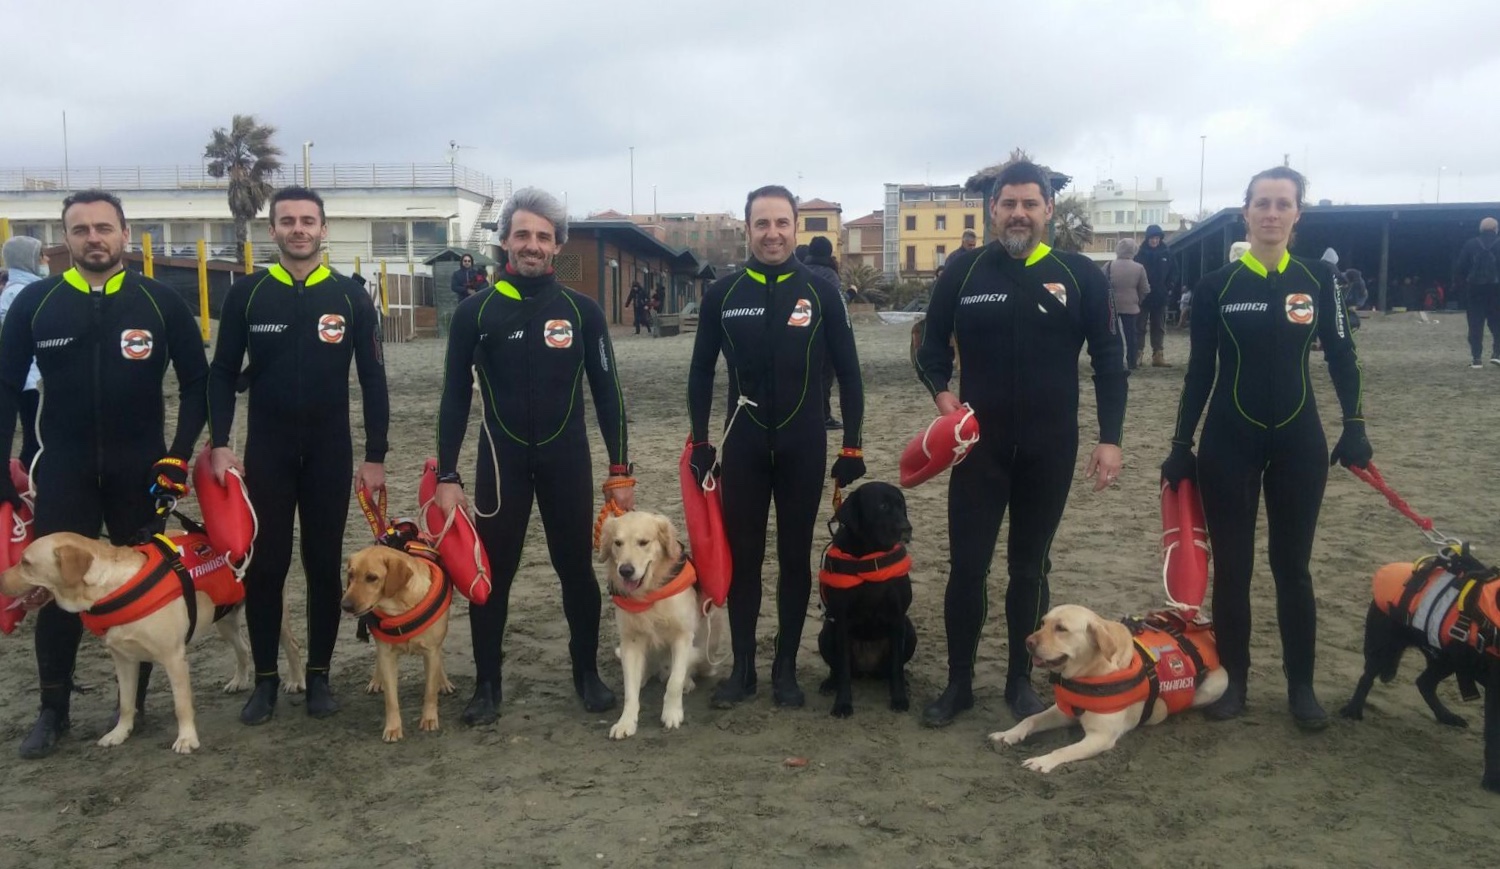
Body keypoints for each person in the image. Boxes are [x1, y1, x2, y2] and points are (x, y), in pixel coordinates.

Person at [914, 161, 1127, 726]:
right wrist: (944, 400)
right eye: (1008, 203)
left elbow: (1110, 361)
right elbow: (929, 349)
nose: (1018, 214)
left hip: (1049, 446)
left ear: (1048, 210)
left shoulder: (1082, 275)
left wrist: (1111, 439)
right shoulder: (962, 273)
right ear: (993, 209)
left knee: (1029, 569)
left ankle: (1019, 681)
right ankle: (958, 683)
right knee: (967, 567)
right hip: (979, 449)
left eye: (1030, 204)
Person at [0, 190, 208, 758]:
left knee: (142, 588)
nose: (94, 238)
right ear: (63, 240)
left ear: (123, 233)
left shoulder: (160, 301)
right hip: (62, 466)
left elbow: (197, 382)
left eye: (104, 227)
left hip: (140, 468)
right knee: (58, 584)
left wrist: (178, 453)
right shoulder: (37, 304)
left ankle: (133, 707)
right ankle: (52, 710)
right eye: (80, 229)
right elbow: (4, 382)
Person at [1161, 166, 1369, 731]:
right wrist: (1181, 444)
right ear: (1246, 212)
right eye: (1262, 204)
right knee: (1233, 568)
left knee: (1293, 568)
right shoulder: (1217, 287)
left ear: (1298, 214)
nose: (1272, 214)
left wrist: (1355, 426)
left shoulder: (1321, 283)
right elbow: (1199, 372)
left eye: (1283, 204)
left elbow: (1344, 359)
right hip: (1229, 442)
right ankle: (1236, 682)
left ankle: (1301, 687)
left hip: (1299, 443)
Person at [433, 187, 632, 724]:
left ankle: (586, 674)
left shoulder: (581, 312)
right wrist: (446, 473)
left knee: (576, 572)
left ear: (558, 245)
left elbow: (608, 393)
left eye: (544, 236)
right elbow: (453, 395)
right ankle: (487, 686)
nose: (533, 245)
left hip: (566, 459)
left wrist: (619, 469)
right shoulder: (475, 313)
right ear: (504, 241)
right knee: (490, 575)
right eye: (523, 234)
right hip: (500, 464)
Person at [208, 186, 389, 726]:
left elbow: (373, 379)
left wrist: (375, 455)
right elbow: (221, 372)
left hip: (330, 451)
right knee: (266, 566)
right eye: (287, 221)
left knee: (321, 563)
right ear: (273, 230)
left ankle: (318, 678)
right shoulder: (248, 294)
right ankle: (265, 682)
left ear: (324, 228)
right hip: (268, 451)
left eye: (308, 220)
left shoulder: (351, 298)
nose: (298, 229)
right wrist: (220, 442)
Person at [687, 184, 865, 709]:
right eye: (761, 224)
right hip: (741, 445)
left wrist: (851, 446)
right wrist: (700, 439)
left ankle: (784, 669)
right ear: (747, 230)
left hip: (803, 443)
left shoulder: (821, 292)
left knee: (793, 558)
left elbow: (852, 376)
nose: (772, 233)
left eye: (781, 223)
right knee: (743, 559)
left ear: (795, 228)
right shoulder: (723, 293)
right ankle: (743, 669)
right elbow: (700, 373)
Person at [0, 236, 48, 465]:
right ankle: (30, 481)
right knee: (36, 436)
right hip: (30, 379)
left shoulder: (20, 289)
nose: (46, 259)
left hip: (30, 377)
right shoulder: (22, 293)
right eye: (41, 255)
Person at [803, 235, 845, 430]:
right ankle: (824, 416)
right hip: (824, 334)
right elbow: (836, 305)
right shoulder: (830, 274)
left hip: (801, 333)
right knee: (824, 378)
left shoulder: (802, 270)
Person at [1455, 217, 1500, 368]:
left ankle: (1476, 359)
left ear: (1480, 229)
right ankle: (1497, 354)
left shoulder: (1471, 244)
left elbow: (1460, 268)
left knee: (1475, 324)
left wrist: (1463, 287)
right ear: (1496, 229)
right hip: (1496, 290)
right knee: (1497, 323)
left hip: (1475, 290)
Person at [1134, 224, 1179, 367]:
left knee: (1158, 326)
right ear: (1148, 239)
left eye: (1157, 238)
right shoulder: (1139, 254)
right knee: (1140, 326)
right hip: (1142, 297)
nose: (1154, 241)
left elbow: (1174, 272)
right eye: (1152, 238)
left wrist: (1169, 286)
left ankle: (1158, 355)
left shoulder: (1167, 253)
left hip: (1160, 296)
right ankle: (1138, 354)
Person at [1104, 238, 1151, 369]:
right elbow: (1145, 289)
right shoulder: (1139, 267)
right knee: (1131, 336)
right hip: (1131, 306)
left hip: (1111, 306)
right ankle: (1131, 361)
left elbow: (1101, 284)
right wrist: (1138, 299)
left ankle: (1115, 361)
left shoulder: (1109, 265)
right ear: (1134, 250)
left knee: (1113, 335)